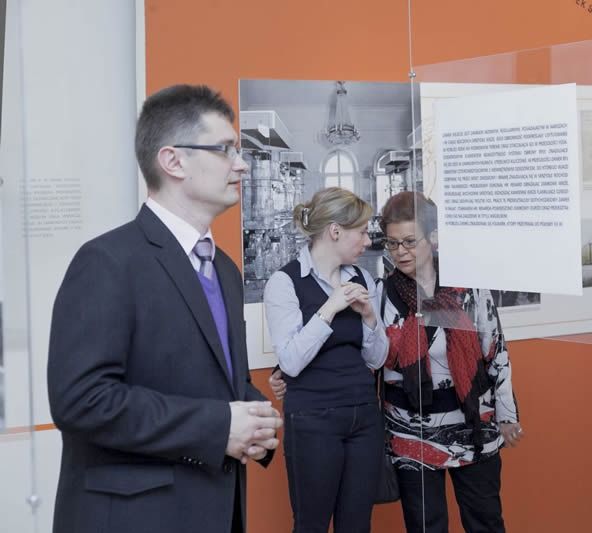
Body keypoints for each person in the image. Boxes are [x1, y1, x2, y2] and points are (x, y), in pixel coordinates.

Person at [47, 84, 282, 533]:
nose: (241, 164)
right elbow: (82, 400)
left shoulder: (225, 269)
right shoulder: (107, 261)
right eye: (225, 149)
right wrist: (217, 426)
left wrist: (255, 416)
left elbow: (217, 381)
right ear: (173, 161)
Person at [273, 191, 522, 532]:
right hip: (409, 430)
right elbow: (360, 349)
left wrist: (507, 415)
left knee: (486, 521)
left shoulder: (469, 289)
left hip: (473, 425)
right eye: (392, 244)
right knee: (424, 525)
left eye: (409, 242)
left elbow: (495, 351)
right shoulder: (381, 292)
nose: (400, 251)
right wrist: (285, 371)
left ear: (433, 238)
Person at [263, 187, 388, 533]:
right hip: (312, 421)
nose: (367, 241)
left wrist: (369, 318)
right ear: (335, 231)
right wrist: (329, 308)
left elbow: (377, 359)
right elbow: (290, 362)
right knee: (311, 525)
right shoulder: (284, 282)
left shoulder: (362, 279)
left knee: (357, 525)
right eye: (361, 232)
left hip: (364, 417)